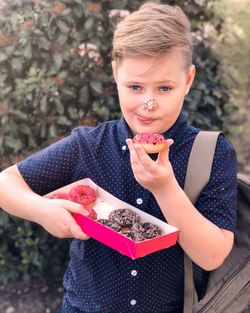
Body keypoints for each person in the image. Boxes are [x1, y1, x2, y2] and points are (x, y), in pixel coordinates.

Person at [0, 2, 237, 313]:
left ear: (189, 80)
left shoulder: (211, 153)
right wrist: (42, 210)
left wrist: (165, 189)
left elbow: (212, 255)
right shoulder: (87, 146)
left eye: (165, 88)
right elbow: (7, 182)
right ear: (115, 74)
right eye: (135, 87)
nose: (149, 103)